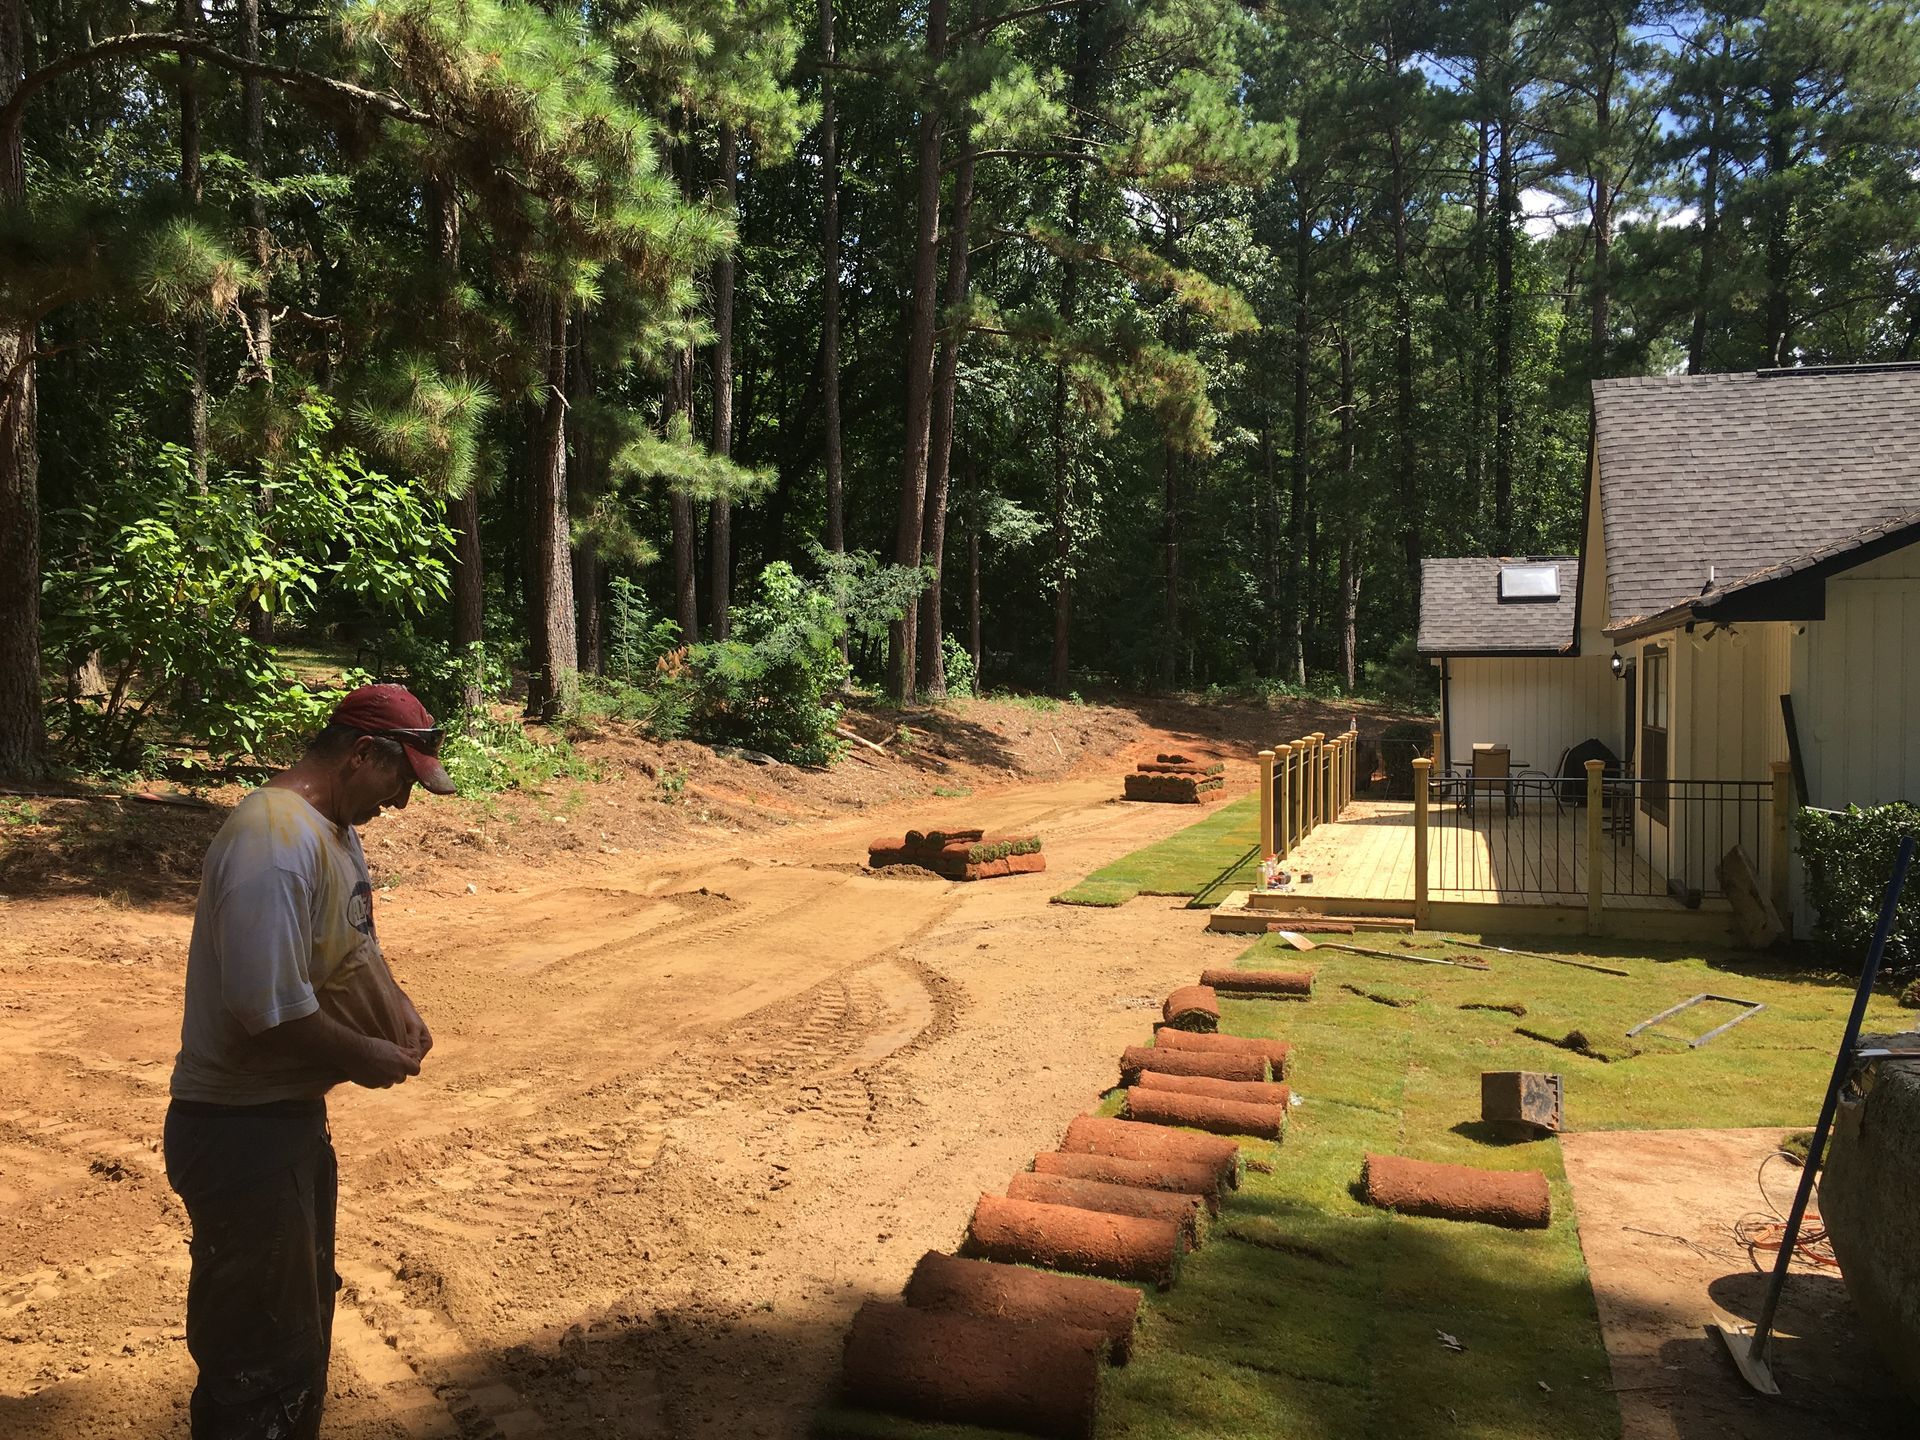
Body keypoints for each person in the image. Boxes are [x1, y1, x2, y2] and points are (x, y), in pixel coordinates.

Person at [164, 683, 456, 1439]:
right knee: (263, 1358)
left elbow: (353, 944)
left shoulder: (332, 831)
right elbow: (267, 1013)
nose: (402, 804)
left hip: (284, 1124)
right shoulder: (271, 841)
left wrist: (399, 1009)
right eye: (402, 780)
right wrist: (364, 1055)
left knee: (294, 1333)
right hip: (240, 1135)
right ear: (363, 754)